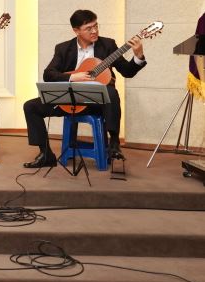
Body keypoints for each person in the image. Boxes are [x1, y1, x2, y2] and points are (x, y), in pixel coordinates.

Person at [22, 9, 146, 168]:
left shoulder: (108, 45)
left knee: (111, 92)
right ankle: (46, 154)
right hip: (69, 101)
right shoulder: (63, 48)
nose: (94, 31)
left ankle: (114, 143)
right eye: (89, 28)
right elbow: (48, 74)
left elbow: (127, 72)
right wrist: (73, 77)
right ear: (76, 31)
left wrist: (138, 56)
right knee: (30, 106)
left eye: (96, 26)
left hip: (97, 103)